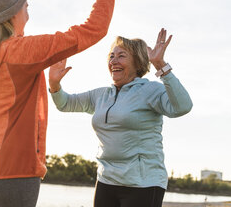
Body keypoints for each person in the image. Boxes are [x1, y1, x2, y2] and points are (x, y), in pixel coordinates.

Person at [0, 0, 114, 206]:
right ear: (12, 10)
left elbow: (3, 41)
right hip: (12, 172)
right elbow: (93, 30)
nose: (27, 5)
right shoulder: (22, 52)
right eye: (23, 2)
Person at [49, 28, 193, 207]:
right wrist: (55, 85)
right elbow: (65, 103)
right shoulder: (101, 95)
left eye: (121, 56)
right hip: (106, 180)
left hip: (143, 182)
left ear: (137, 62)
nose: (113, 61)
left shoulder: (150, 90)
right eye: (111, 56)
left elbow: (183, 107)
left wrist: (161, 66)